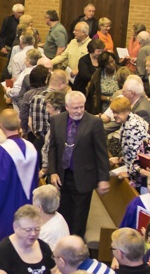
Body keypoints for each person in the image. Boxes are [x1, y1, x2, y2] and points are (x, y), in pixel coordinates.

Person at [44, 91, 110, 238]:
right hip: (63, 175)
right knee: (63, 212)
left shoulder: (94, 123)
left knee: (79, 218)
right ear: (66, 107)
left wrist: (103, 178)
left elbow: (101, 153)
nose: (79, 110)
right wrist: (53, 171)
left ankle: (76, 247)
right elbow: (53, 148)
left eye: (81, 107)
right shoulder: (57, 121)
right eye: (75, 108)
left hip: (84, 177)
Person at [0, 110, 38, 254]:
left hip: (4, 211)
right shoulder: (32, 148)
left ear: (0, 125)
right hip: (27, 207)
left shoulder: (2, 152)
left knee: (0, 248)